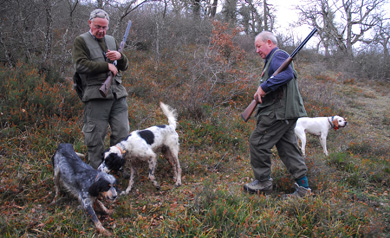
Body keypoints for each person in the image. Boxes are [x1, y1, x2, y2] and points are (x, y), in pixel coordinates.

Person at [243, 31, 311, 198]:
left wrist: (264, 87)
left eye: (259, 46)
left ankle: (263, 182)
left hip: (278, 113)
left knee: (258, 142)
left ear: (269, 43)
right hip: (286, 113)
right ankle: (304, 189)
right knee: (288, 149)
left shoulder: (278, 55)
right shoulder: (272, 59)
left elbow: (286, 75)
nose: (257, 50)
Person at [72, 9, 130, 169]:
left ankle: (118, 168)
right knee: (95, 137)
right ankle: (96, 173)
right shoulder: (81, 41)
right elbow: (80, 64)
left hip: (117, 95)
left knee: (122, 134)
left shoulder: (111, 40)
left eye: (104, 28)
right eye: (98, 26)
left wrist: (120, 57)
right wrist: (106, 66)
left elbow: (124, 66)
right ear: (90, 23)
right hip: (96, 96)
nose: (101, 31)